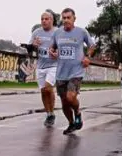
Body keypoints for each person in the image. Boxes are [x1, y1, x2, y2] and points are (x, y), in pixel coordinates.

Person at [49, 7, 95, 135]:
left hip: (76, 71)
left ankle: (78, 112)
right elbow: (52, 48)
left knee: (71, 97)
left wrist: (87, 57)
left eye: (68, 18)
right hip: (61, 73)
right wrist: (52, 52)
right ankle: (71, 123)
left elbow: (91, 46)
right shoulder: (57, 33)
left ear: (74, 18)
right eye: (64, 18)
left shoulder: (81, 32)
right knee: (64, 102)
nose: (66, 20)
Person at [29, 10, 58, 127]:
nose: (44, 21)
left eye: (46, 19)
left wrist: (57, 53)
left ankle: (52, 112)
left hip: (54, 65)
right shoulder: (37, 32)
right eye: (42, 19)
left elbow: (64, 46)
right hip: (41, 66)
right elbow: (29, 49)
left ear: (52, 20)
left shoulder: (57, 32)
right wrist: (33, 45)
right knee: (43, 91)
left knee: (48, 88)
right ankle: (49, 114)